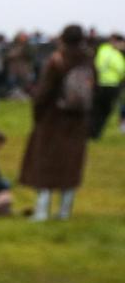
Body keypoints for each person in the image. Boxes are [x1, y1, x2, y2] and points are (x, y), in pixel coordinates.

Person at [21, 24, 95, 221]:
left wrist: (38, 114)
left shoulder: (57, 61)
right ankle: (64, 211)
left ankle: (42, 211)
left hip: (53, 119)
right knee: (71, 165)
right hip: (78, 121)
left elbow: (43, 93)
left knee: (46, 163)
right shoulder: (88, 60)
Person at [90, 32, 124, 140]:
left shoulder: (102, 50)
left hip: (99, 84)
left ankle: (90, 130)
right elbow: (121, 70)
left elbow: (96, 65)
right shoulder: (116, 55)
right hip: (112, 85)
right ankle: (97, 133)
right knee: (105, 110)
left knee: (95, 109)